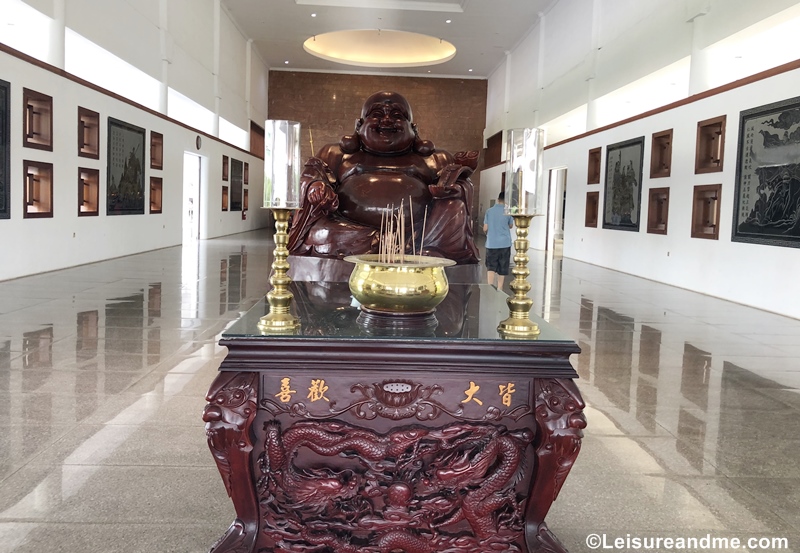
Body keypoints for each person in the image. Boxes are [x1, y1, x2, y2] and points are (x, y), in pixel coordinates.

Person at [287, 91, 480, 264]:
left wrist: (454, 189)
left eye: (397, 116)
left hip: (421, 235)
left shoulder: (435, 157)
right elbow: (311, 175)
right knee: (321, 232)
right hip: (352, 232)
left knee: (455, 208)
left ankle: (427, 251)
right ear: (359, 125)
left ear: (413, 128)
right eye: (377, 115)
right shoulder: (336, 153)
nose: (387, 121)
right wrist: (315, 187)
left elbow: (459, 186)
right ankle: (387, 245)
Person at [483, 192, 514, 289]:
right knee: (502, 268)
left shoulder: (489, 211)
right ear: (506, 201)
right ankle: (499, 289)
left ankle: (490, 288)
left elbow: (485, 228)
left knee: (491, 267)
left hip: (491, 243)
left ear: (498, 199)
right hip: (505, 243)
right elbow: (511, 225)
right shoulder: (508, 211)